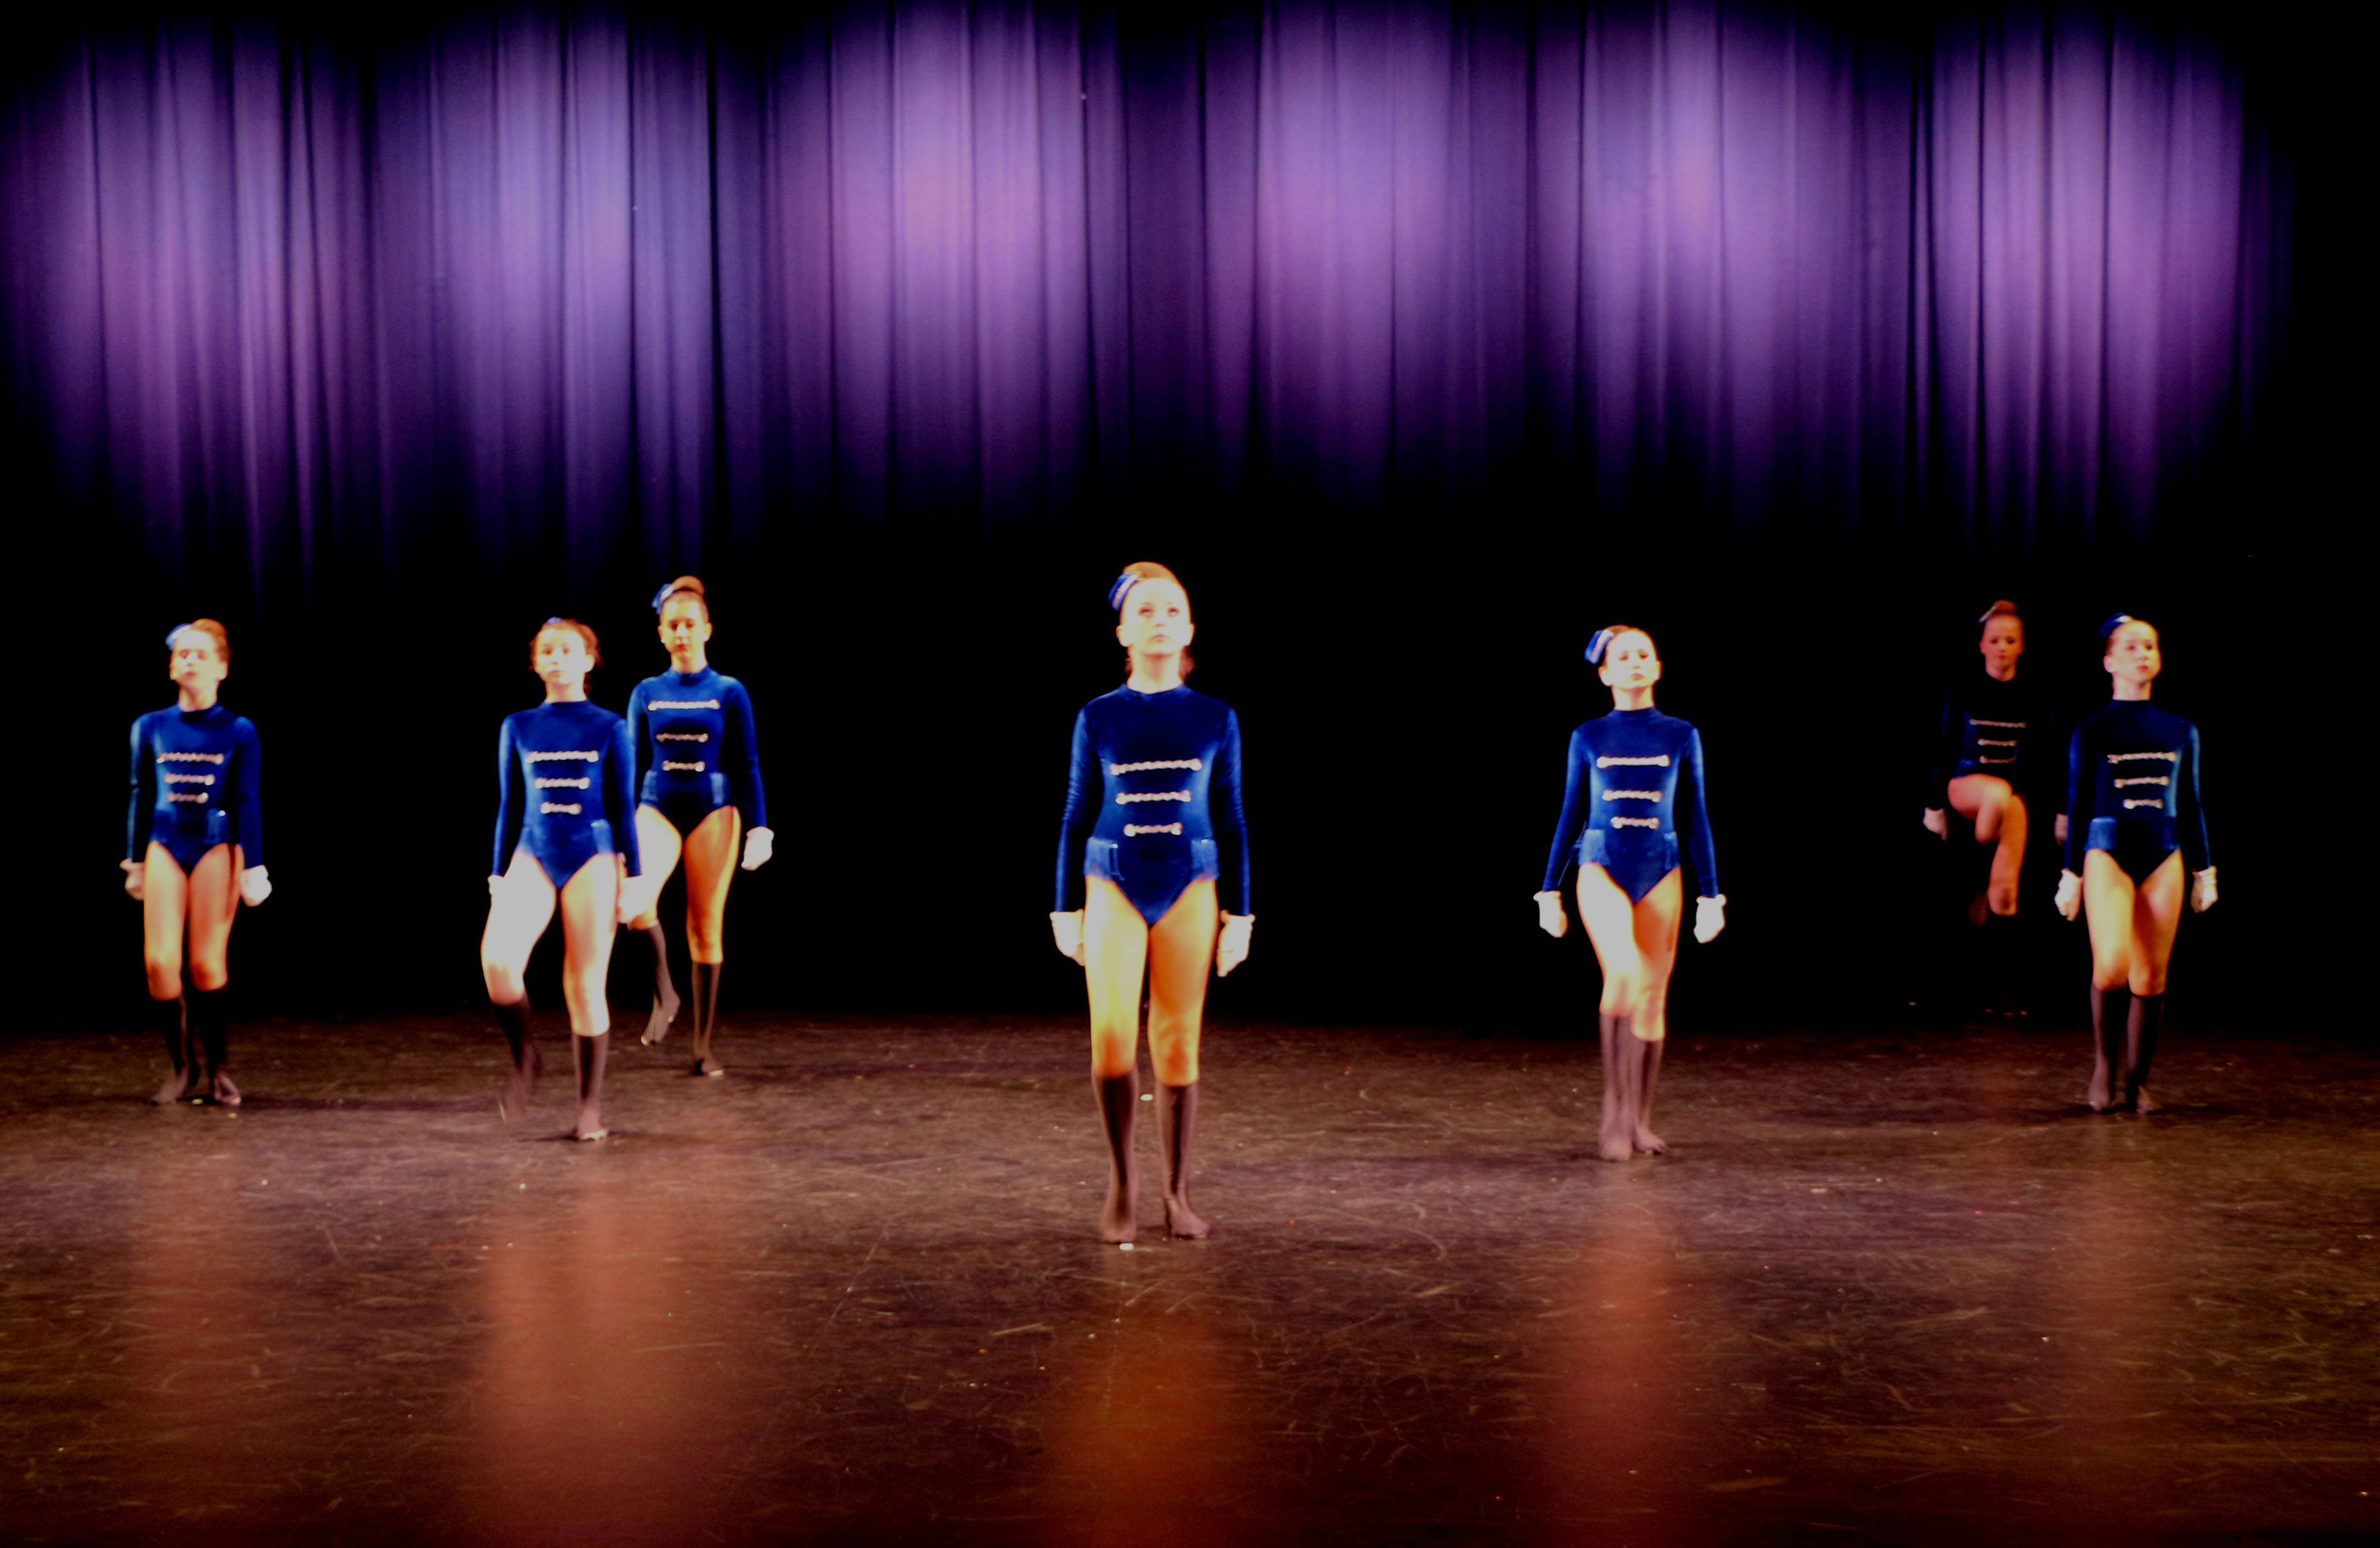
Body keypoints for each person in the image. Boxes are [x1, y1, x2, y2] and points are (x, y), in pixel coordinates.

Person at [1051, 563, 1252, 1244]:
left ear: (1190, 628)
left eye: (1172, 610)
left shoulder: (1216, 718)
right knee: (1112, 1040)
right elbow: (1076, 810)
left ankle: (1175, 1190)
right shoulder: (1098, 716)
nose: (1159, 619)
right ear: (1122, 633)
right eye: (1145, 611)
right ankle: (1122, 1183)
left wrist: (1241, 913)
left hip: (1191, 884)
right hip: (1111, 881)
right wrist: (1063, 907)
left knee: (1176, 1042)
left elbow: (1231, 817)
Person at [1534, 626, 1724, 1162]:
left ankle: (1640, 1119)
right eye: (1623, 657)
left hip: (1661, 866)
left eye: (1644, 654)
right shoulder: (1588, 735)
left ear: (1657, 667)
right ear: (1605, 674)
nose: (1635, 662)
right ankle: (1613, 1111)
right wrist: (1549, 889)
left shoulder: (1681, 733)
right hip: (1602, 864)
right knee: (1623, 973)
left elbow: (1696, 815)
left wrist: (1710, 895)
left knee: (1654, 993)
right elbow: (1570, 810)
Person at [482, 618, 651, 1140]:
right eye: (547, 651)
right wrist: (497, 871)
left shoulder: (610, 727)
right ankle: (526, 1056)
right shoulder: (518, 725)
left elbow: (622, 805)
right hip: (534, 850)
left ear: (588, 660)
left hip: (591, 854)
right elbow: (509, 803)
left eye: (567, 650)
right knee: (498, 962)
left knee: (583, 984)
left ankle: (589, 1108)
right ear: (535, 663)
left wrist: (635, 877)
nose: (557, 658)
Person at [2056, 614, 2216, 1113]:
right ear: (2108, 661)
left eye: (2149, 645)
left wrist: (2205, 871)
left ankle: (2137, 1082)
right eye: (2130, 646)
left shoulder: (2181, 729)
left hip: (2163, 850)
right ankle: (2104, 1066)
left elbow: (2190, 802)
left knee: (2150, 977)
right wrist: (2070, 874)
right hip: (2108, 847)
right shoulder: (2091, 729)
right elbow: (2077, 803)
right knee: (2111, 967)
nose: (2142, 653)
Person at [622, 577, 773, 1076]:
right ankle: (665, 991)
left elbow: (747, 763)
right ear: (661, 634)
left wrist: (760, 828)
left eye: (690, 624)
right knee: (635, 904)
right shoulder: (646, 691)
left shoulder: (728, 690)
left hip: (713, 809)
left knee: (704, 928)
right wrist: (618, 829)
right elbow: (627, 764)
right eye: (673, 625)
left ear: (707, 629)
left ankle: (702, 1048)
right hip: (657, 805)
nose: (682, 633)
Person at [123, 620, 271, 1105]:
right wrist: (135, 860)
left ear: (222, 668)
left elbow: (247, 799)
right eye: (182, 654)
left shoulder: (239, 729)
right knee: (159, 963)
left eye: (201, 654)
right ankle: (182, 1066)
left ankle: (219, 1069)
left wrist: (254, 865)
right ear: (171, 666)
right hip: (165, 843)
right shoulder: (149, 725)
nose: (189, 660)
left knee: (206, 964)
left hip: (215, 845)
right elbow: (140, 792)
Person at [1921, 603, 2066, 1008]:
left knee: (2007, 893)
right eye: (1995, 640)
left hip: (2009, 797)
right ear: (1982, 645)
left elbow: (2054, 756)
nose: (2002, 647)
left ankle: (1997, 988)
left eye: (2010, 641)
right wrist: (1933, 806)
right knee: (1998, 796)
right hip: (1967, 785)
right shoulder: (1963, 691)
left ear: (2021, 647)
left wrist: (2062, 811)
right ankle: (1979, 865)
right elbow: (1946, 747)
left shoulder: (2034, 695)